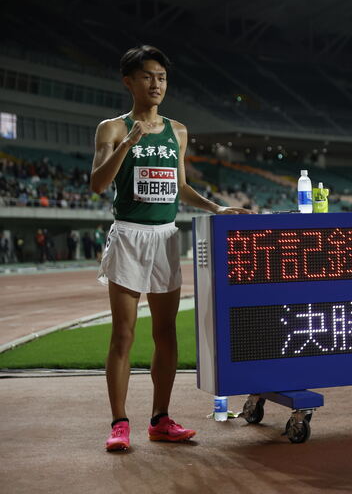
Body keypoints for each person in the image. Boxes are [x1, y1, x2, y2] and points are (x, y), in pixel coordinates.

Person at [90, 45, 248, 452]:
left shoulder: (177, 130)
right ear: (129, 82)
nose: (156, 84)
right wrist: (128, 143)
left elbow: (178, 186)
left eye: (161, 77)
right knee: (123, 335)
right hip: (129, 235)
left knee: (166, 333)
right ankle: (119, 423)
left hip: (164, 237)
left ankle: (160, 419)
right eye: (147, 76)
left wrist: (215, 206)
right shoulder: (111, 128)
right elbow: (97, 184)